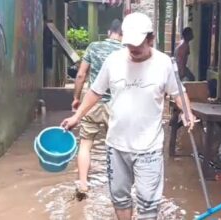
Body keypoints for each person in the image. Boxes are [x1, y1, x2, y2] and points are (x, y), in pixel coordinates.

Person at [61, 12, 195, 219]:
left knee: (149, 204)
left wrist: (187, 113)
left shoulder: (163, 64)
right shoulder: (113, 61)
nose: (133, 51)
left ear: (150, 40)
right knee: (120, 198)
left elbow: (179, 93)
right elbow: (95, 92)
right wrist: (77, 116)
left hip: (149, 148)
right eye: (129, 46)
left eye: (138, 47)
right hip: (116, 146)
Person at [71, 19, 124, 199]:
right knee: (116, 147)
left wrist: (77, 98)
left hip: (92, 103)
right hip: (116, 106)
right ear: (123, 34)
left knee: (85, 144)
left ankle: (84, 184)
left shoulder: (94, 47)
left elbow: (80, 74)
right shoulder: (126, 51)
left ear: (110, 31)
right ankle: (117, 186)